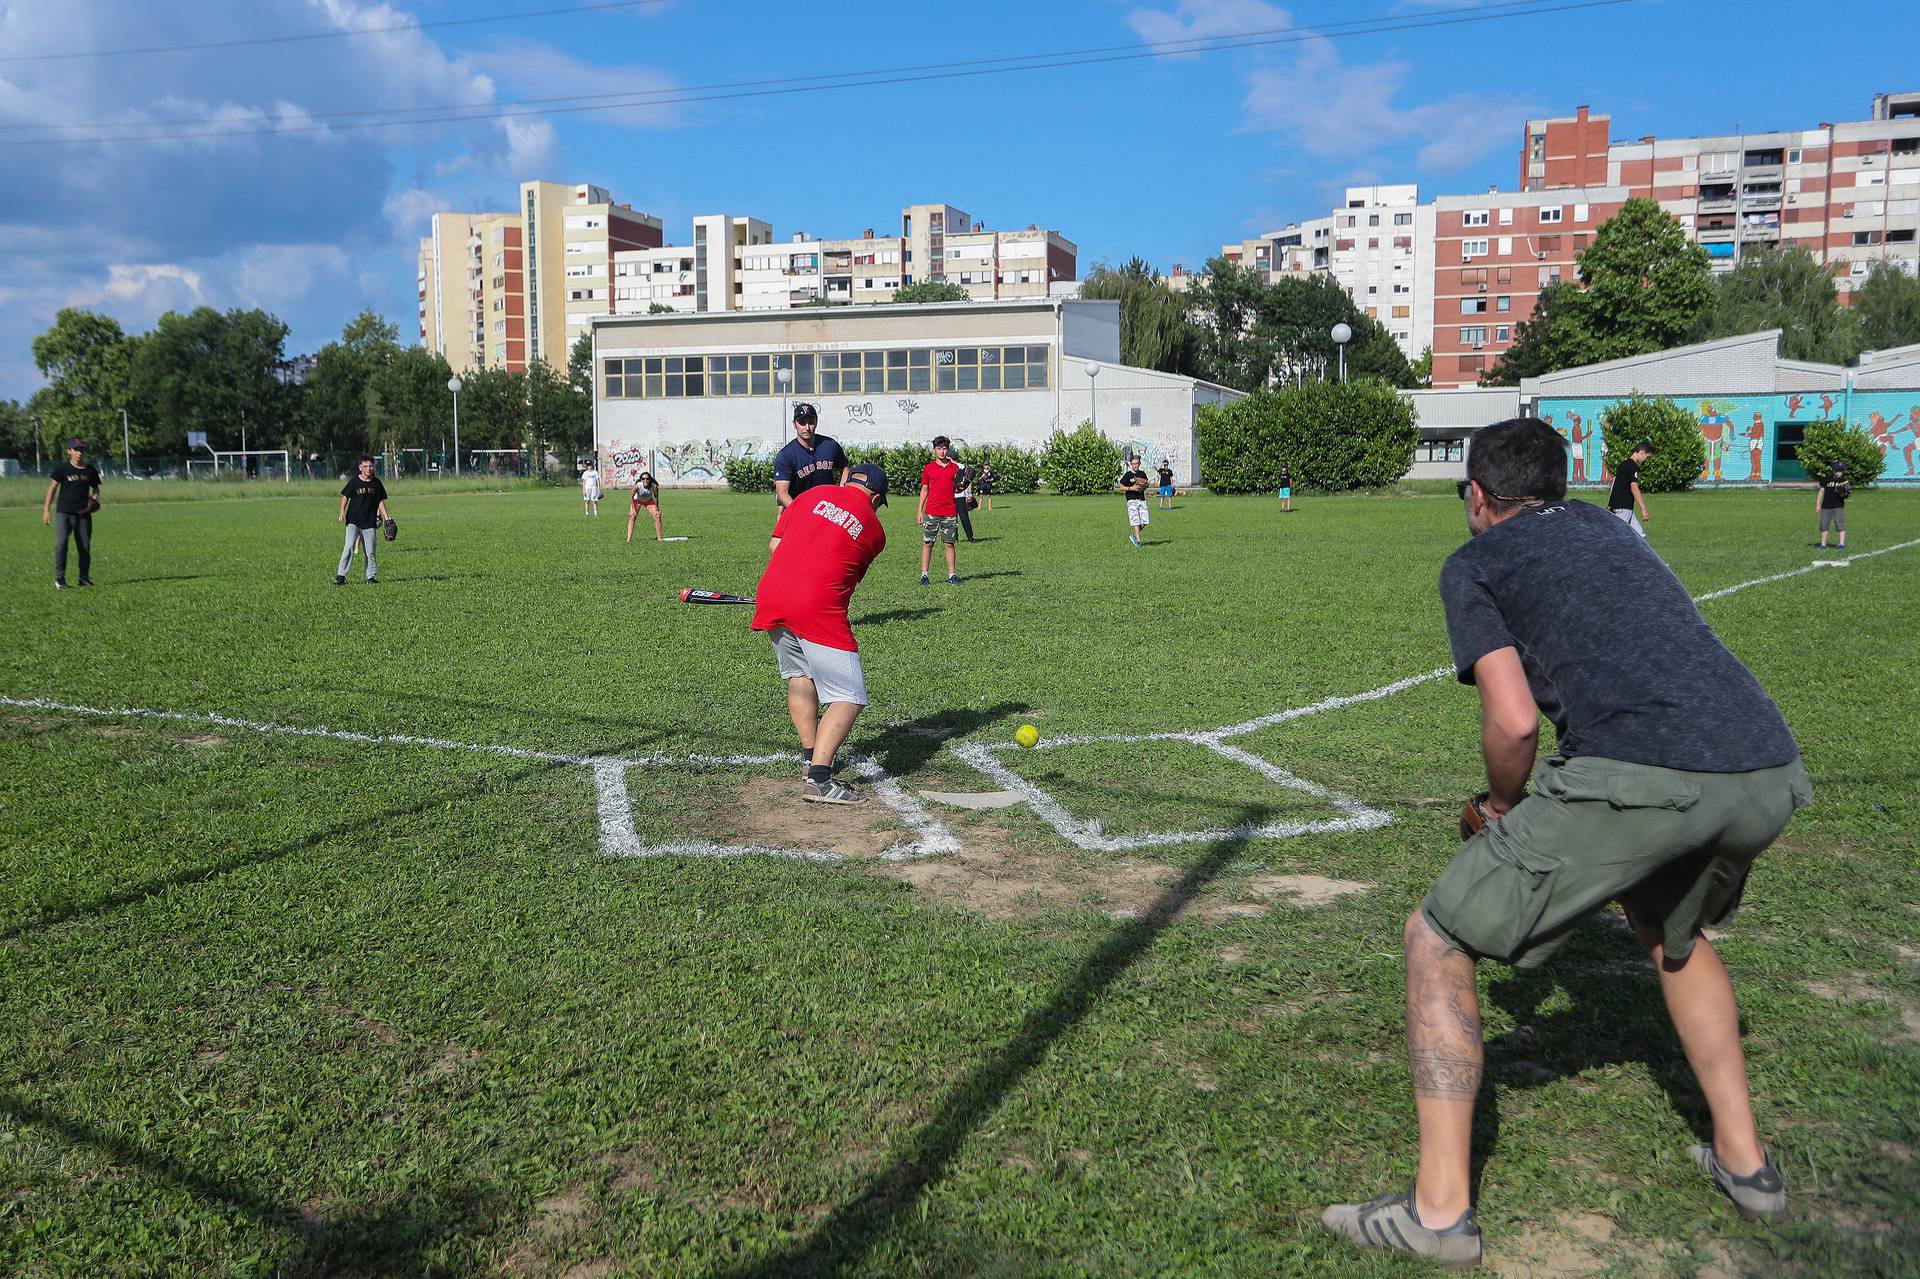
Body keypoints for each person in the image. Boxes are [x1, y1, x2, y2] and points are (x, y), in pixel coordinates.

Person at [1322, 418, 1809, 1266]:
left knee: (1435, 937)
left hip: (1649, 768)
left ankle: (1438, 1214)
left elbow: (1513, 722)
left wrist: (1501, 804)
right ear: (1562, 482)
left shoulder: (1475, 561)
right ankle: (1748, 1165)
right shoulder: (1603, 524)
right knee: (1672, 930)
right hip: (1765, 762)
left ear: (1476, 495)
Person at [751, 463, 890, 805]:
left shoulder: (811, 494)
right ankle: (819, 778)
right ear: (875, 497)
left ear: (846, 479)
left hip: (772, 591)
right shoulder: (875, 530)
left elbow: (774, 546)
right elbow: (846, 575)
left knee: (800, 675)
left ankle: (809, 757)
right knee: (849, 694)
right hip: (817, 604)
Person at [43, 437, 101, 590]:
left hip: (83, 514)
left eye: (82, 449)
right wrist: (46, 510)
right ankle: (60, 579)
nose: (79, 452)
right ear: (69, 451)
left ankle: (84, 578)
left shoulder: (90, 470)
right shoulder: (63, 469)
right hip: (64, 513)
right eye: (76, 449)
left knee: (84, 546)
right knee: (62, 544)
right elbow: (52, 489)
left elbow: (95, 489)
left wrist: (94, 499)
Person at [772, 402, 848, 509]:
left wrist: (842, 491)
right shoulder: (786, 455)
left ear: (816, 422)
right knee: (781, 510)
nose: (807, 427)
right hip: (799, 504)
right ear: (794, 424)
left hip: (827, 504)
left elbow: (844, 467)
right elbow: (782, 491)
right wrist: (798, 511)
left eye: (811, 422)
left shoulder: (830, 445)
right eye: (802, 422)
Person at [335, 454, 390, 585]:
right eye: (366, 466)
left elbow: (380, 501)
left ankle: (370, 576)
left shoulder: (376, 483)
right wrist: (342, 511)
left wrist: (387, 518)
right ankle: (341, 575)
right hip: (353, 520)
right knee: (348, 547)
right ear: (360, 467)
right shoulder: (355, 481)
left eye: (371, 466)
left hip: (369, 522)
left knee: (370, 551)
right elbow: (345, 497)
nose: (369, 469)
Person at [918, 435, 963, 584]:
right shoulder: (928, 468)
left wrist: (965, 485)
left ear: (948, 450)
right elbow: (924, 489)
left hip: (949, 511)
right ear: (934, 450)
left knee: (949, 544)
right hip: (932, 511)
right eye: (939, 448)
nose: (942, 451)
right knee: (928, 542)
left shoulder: (954, 468)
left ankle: (952, 575)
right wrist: (920, 511)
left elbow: (959, 488)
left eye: (944, 448)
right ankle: (924, 575)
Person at [1608, 439, 1654, 536]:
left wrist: (1610, 503)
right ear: (1642, 453)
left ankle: (1641, 551)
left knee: (1640, 535)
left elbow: (1614, 483)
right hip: (1624, 508)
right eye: (1647, 457)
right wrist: (1643, 508)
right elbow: (1634, 488)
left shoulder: (1623, 464)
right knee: (1617, 537)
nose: (1646, 460)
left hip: (1620, 507)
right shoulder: (1633, 466)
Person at [1814, 460, 1848, 551]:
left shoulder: (1844, 480)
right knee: (1824, 525)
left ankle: (1841, 544)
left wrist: (1845, 493)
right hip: (1825, 506)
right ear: (1833, 470)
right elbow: (1821, 491)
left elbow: (1847, 493)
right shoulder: (1827, 479)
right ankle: (1823, 544)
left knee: (1840, 524)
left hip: (1838, 506)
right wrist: (1818, 504)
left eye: (1841, 471)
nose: (1839, 472)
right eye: (1837, 470)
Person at [1119, 453, 1151, 547]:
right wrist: (1131, 488)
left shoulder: (1142, 474)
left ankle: (1134, 535)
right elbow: (1121, 487)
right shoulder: (1128, 475)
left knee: (1145, 520)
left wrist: (1144, 486)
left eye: (1136, 463)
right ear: (1131, 464)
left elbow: (1146, 484)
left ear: (1139, 463)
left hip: (1141, 499)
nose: (1135, 465)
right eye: (1133, 463)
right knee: (1135, 520)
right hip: (1131, 499)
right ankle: (1138, 541)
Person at [627, 470, 664, 543]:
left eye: (647, 479)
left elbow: (656, 496)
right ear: (641, 479)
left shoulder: (654, 486)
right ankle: (629, 539)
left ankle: (659, 538)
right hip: (637, 500)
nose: (645, 480)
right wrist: (633, 508)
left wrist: (657, 506)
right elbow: (631, 496)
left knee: (657, 515)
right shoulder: (637, 486)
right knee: (632, 516)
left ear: (650, 479)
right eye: (643, 479)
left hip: (649, 501)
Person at [954, 457, 978, 542]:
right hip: (950, 495)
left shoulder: (960, 466)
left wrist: (969, 494)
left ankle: (970, 536)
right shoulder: (945, 466)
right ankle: (955, 537)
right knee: (953, 518)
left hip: (959, 495)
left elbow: (968, 482)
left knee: (963, 517)